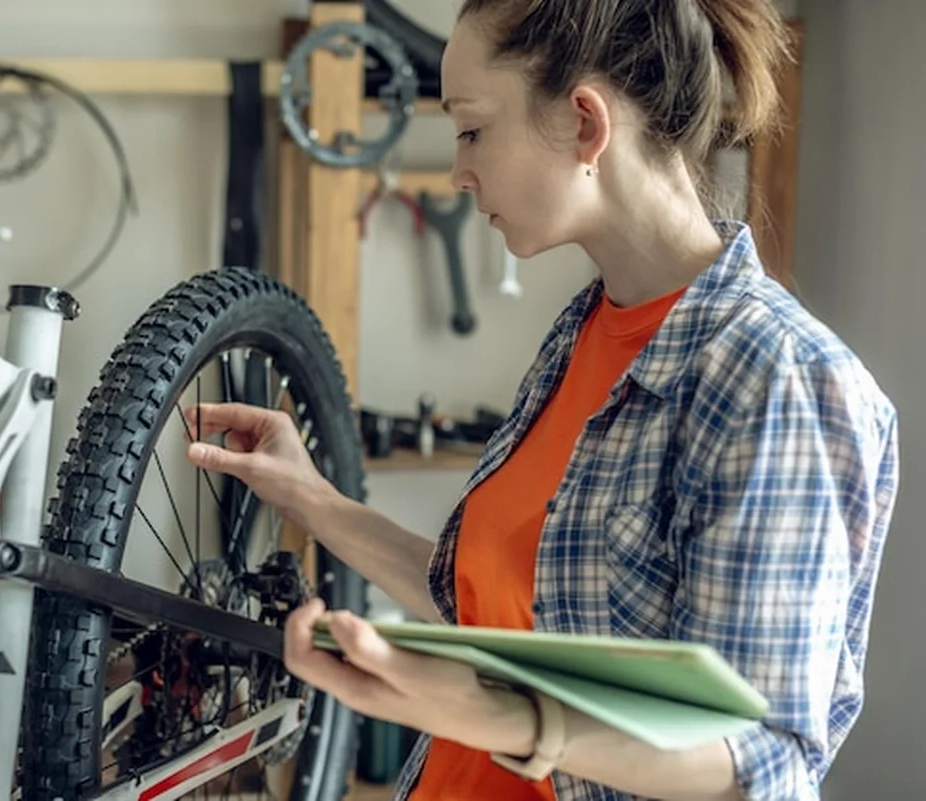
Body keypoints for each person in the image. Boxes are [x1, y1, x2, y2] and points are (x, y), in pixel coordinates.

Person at [185, 0, 900, 798]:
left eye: (471, 128)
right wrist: (312, 498)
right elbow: (495, 607)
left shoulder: (774, 376)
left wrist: (511, 719)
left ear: (585, 123)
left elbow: (756, 759)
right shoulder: (584, 330)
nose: (458, 170)